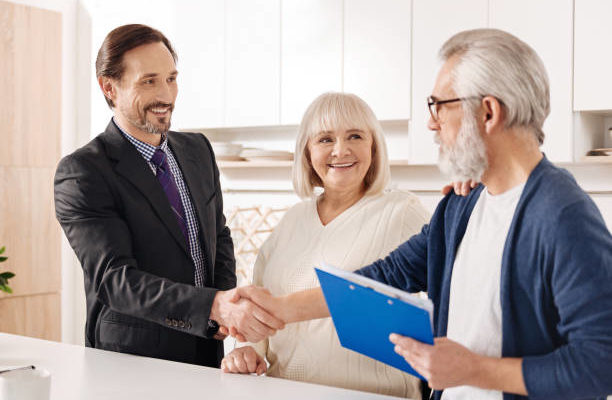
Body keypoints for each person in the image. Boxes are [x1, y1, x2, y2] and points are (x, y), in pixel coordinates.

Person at [232, 29, 612, 399]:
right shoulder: (461, 204)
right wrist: (279, 309)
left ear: (488, 112)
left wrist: (474, 369)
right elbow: (386, 277)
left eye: (439, 105)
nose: (432, 122)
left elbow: (601, 364)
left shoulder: (562, 214)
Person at [54, 24, 283, 368]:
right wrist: (212, 307)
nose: (166, 95)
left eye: (171, 79)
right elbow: (116, 280)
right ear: (109, 87)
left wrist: (226, 306)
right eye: (149, 81)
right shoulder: (83, 171)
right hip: (131, 362)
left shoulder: (198, 149)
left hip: (207, 349)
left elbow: (219, 237)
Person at [221, 92, 430, 398]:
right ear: (307, 151)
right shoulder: (291, 220)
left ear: (373, 146)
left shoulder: (402, 212)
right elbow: (263, 303)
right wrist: (248, 349)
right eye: (325, 139)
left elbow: (451, 300)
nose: (340, 150)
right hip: (285, 393)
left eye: (355, 136)